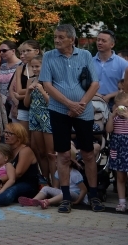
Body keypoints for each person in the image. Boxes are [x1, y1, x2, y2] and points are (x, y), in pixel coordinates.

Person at [39, 24, 103, 213]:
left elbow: (95, 84)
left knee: (88, 153)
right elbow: (47, 85)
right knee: (63, 154)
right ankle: (65, 197)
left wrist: (80, 105)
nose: (56, 40)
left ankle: (93, 196)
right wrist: (69, 104)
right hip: (59, 110)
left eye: (60, 37)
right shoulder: (49, 56)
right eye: (55, 37)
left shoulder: (84, 55)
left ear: (71, 39)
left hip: (84, 111)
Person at [23, 53, 54, 183]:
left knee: (50, 153)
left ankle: (55, 181)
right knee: (40, 152)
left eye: (37, 66)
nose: (35, 69)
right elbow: (26, 104)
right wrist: (29, 91)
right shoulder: (31, 80)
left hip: (47, 117)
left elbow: (51, 103)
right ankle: (45, 179)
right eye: (33, 66)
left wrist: (42, 90)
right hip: (34, 116)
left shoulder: (51, 81)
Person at [105, 91, 128, 212]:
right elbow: (108, 130)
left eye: (126, 106)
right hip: (118, 148)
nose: (123, 109)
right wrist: (111, 117)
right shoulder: (114, 117)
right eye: (120, 106)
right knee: (120, 177)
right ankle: (122, 202)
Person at [93, 29, 128, 106]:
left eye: (103, 41)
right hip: (93, 100)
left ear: (112, 44)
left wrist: (109, 96)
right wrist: (97, 95)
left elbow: (125, 87)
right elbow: (85, 83)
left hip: (115, 102)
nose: (99, 43)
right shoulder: (90, 62)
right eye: (98, 40)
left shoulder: (123, 63)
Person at [12, 40, 41, 130]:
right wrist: (29, 91)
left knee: (37, 139)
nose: (24, 54)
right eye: (23, 51)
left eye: (28, 51)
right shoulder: (20, 68)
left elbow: (43, 88)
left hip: (39, 106)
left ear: (36, 51)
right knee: (25, 137)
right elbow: (18, 91)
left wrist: (21, 96)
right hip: (23, 106)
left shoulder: (42, 66)